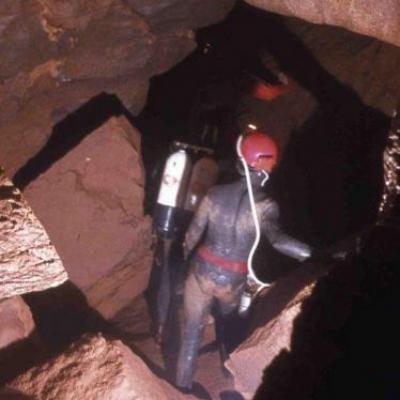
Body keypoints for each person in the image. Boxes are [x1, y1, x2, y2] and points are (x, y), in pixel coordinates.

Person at [175, 131, 313, 390]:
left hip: (201, 272)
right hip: (231, 282)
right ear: (262, 163)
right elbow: (279, 241)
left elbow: (192, 235)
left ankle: (180, 388)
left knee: (191, 334)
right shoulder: (266, 205)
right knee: (232, 325)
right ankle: (231, 378)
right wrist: (314, 255)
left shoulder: (215, 193)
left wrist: (185, 264)